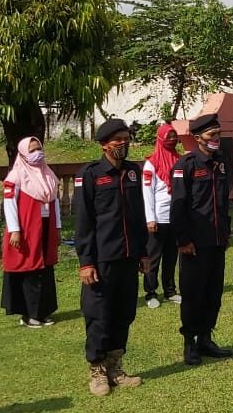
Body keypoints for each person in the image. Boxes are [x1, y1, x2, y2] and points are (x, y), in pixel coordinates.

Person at [74, 118, 151, 397]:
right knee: (99, 315)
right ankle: (97, 370)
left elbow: (138, 215)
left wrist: (144, 252)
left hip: (129, 257)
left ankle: (115, 367)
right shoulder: (91, 175)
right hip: (102, 258)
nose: (123, 143)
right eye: (117, 140)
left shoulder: (133, 172)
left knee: (124, 312)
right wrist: (86, 261)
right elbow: (84, 222)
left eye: (126, 138)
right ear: (104, 144)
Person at [170, 113, 233, 366]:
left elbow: (224, 203)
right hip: (194, 243)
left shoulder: (221, 163)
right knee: (193, 293)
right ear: (198, 138)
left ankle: (206, 338)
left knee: (213, 293)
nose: (216, 138)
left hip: (216, 240)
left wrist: (226, 233)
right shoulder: (185, 165)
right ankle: (190, 342)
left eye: (218, 134)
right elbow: (178, 206)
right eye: (211, 135)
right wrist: (183, 240)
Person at [0, 136, 60, 328]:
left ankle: (42, 311)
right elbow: (9, 204)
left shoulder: (48, 174)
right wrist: (15, 230)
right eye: (32, 150)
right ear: (24, 153)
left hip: (45, 225)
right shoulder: (16, 176)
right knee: (30, 269)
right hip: (26, 228)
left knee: (45, 268)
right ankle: (29, 314)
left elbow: (55, 203)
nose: (37, 153)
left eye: (39, 149)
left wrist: (57, 227)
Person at [142, 123, 182, 310]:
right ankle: (150, 292)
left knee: (171, 257)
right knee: (153, 258)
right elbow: (147, 193)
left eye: (175, 136)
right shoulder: (151, 164)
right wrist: (150, 218)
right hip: (158, 218)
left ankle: (170, 291)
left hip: (174, 218)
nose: (172, 140)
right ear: (160, 139)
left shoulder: (179, 160)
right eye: (169, 136)